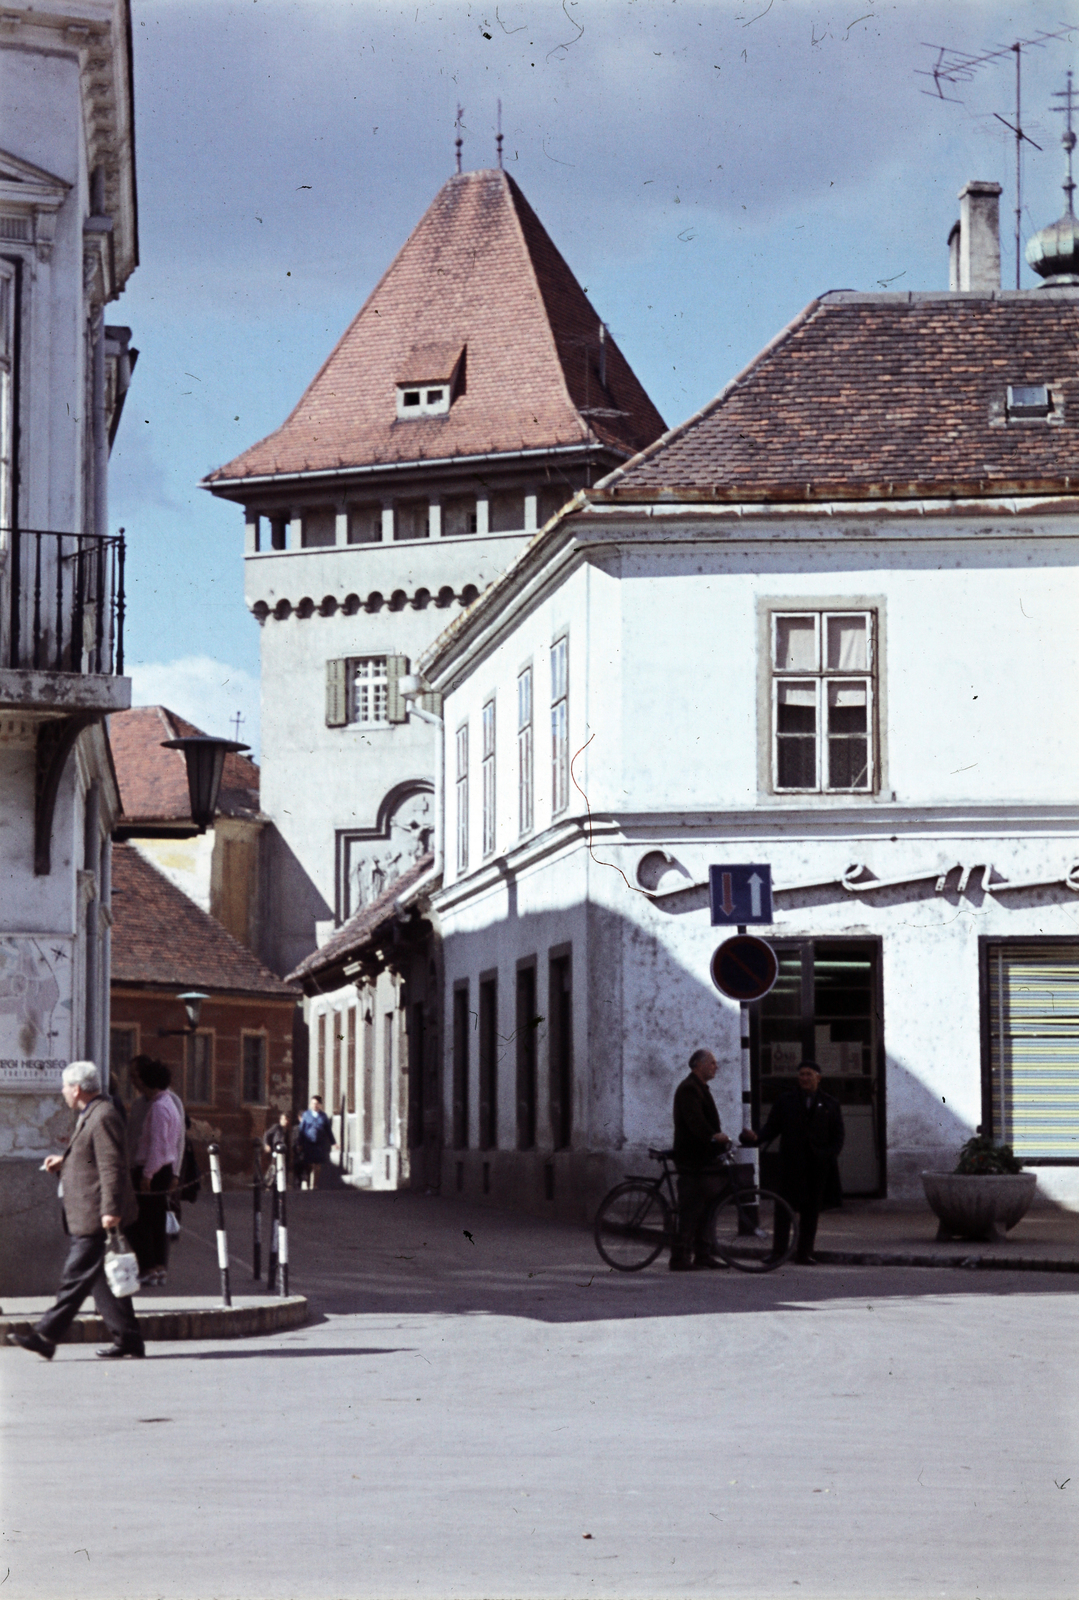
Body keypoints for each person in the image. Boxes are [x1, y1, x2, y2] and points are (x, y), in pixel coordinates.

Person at [6, 1061, 144, 1360]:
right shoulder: (92, 1113)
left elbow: (112, 1166)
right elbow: (93, 1159)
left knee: (75, 1275)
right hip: (91, 1210)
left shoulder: (103, 1115)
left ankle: (45, 1335)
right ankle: (129, 1338)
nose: (63, 1092)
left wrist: (110, 1210)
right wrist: (65, 1161)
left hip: (96, 1214)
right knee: (101, 1279)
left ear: (77, 1088)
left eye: (65, 1087)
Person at [740, 1060, 845, 1264]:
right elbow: (772, 1127)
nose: (804, 1078)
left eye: (808, 1074)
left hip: (817, 1166)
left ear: (818, 1078)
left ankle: (805, 1252)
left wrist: (827, 1156)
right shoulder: (786, 1101)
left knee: (811, 1212)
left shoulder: (830, 1104)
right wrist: (755, 1137)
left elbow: (838, 1136)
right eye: (801, 1075)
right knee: (783, 1209)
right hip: (791, 1164)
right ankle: (778, 1252)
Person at [670, 1048, 732, 1271]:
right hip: (692, 1157)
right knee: (691, 1206)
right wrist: (713, 1136)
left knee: (708, 1204)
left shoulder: (700, 1087)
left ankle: (703, 1253)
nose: (716, 1067)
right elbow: (694, 1120)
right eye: (712, 1063)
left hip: (704, 1156)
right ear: (699, 1065)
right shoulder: (689, 1088)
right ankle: (680, 1257)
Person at [128, 1058, 185, 1286]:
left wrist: (147, 1175)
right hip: (163, 1170)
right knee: (156, 1220)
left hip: (153, 1171)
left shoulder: (159, 1107)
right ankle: (159, 1268)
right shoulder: (167, 1103)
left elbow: (158, 1146)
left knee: (141, 1222)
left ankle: (149, 1268)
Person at [295, 1095, 335, 1189]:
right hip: (308, 1143)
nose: (314, 1105)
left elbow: (328, 1130)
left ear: (320, 1105)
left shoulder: (323, 1116)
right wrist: (299, 1143)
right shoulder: (306, 1115)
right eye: (313, 1103)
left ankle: (314, 1184)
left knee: (318, 1164)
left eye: (316, 1103)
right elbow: (301, 1130)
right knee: (309, 1163)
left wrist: (333, 1142)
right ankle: (308, 1181)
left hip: (319, 1144)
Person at [262, 1111, 293, 1185]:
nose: (285, 1121)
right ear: (280, 1120)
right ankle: (268, 1183)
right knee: (273, 1167)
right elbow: (266, 1134)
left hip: (284, 1153)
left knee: (283, 1169)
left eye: (287, 1119)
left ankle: (281, 1184)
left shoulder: (287, 1131)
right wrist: (266, 1144)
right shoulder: (277, 1127)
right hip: (276, 1151)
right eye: (284, 1119)